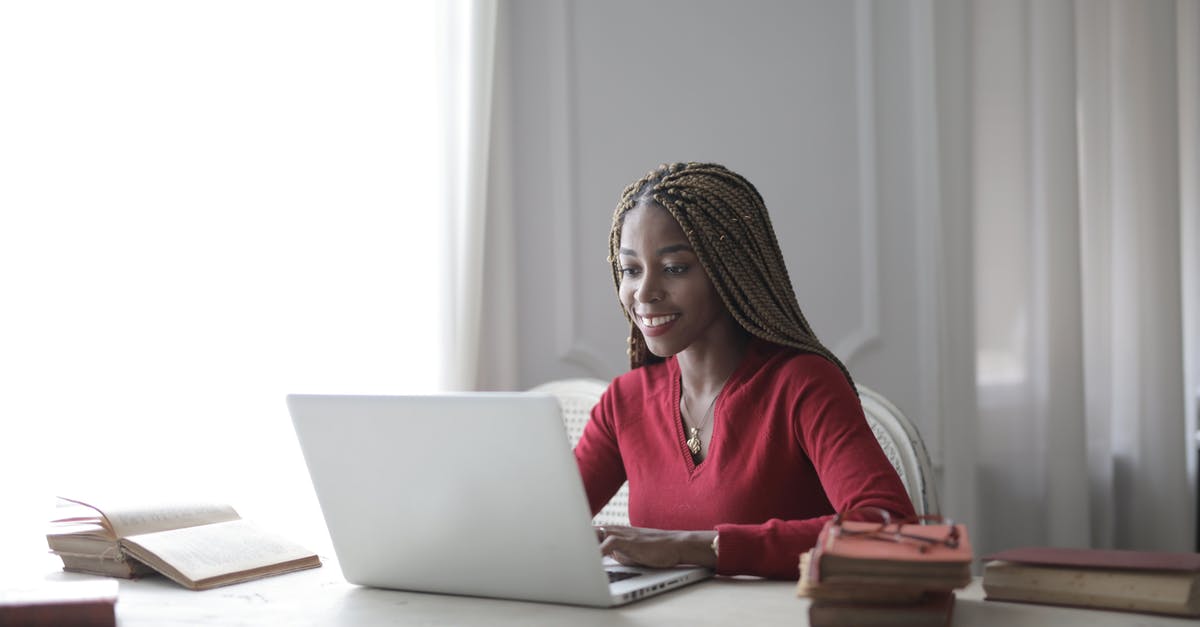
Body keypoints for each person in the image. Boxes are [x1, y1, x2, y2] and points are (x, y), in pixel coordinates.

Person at [573, 162, 915, 580]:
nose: (644, 293)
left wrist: (695, 547)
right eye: (631, 270)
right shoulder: (624, 401)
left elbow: (891, 529)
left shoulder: (803, 384)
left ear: (729, 269)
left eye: (675, 268)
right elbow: (543, 526)